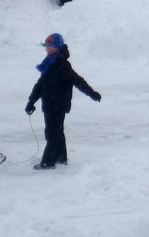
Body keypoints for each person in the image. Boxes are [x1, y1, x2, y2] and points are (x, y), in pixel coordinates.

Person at [25, 33, 101, 169]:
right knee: (57, 131)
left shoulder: (61, 64)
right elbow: (40, 84)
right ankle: (61, 157)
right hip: (49, 103)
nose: (46, 49)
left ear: (57, 47)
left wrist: (92, 94)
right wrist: (31, 101)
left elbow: (77, 81)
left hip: (57, 104)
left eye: (49, 46)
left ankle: (48, 162)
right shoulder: (50, 61)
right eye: (46, 46)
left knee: (52, 133)